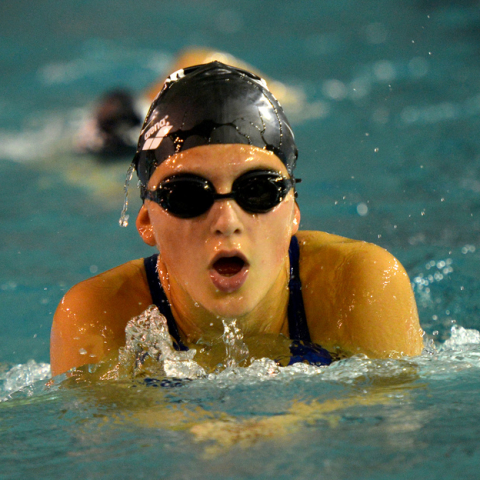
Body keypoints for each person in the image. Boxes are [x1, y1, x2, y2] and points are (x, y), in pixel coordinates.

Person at [51, 61, 424, 377]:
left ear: (293, 212)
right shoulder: (96, 315)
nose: (226, 220)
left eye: (258, 190)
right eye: (187, 195)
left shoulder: (361, 285)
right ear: (147, 221)